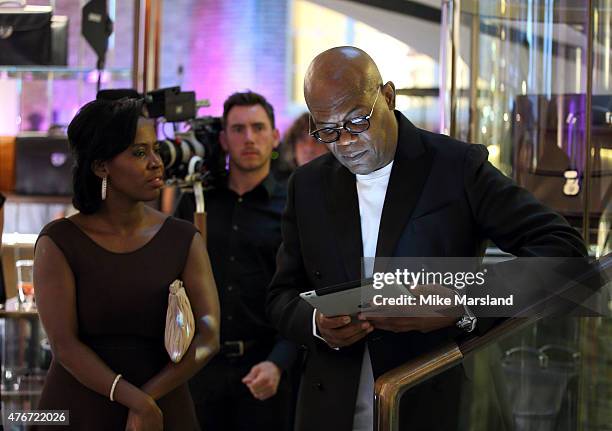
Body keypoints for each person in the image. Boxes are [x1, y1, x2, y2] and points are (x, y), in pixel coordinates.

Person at [266, 46, 587, 431]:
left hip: (434, 395)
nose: (346, 142)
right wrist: (317, 322)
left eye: (356, 121)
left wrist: (461, 303)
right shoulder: (308, 185)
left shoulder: (456, 167)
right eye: (328, 131)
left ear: (387, 95)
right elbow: (281, 296)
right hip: (332, 405)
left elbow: (564, 253)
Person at [33, 98, 220, 431]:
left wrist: (148, 398)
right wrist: (133, 399)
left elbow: (209, 335)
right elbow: (64, 345)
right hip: (79, 407)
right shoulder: (59, 242)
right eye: (138, 152)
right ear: (101, 166)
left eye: (155, 149)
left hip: (163, 407)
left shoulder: (182, 238)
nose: (156, 162)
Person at [175, 91, 298, 431]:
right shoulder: (196, 202)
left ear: (274, 136)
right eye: (238, 129)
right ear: (223, 140)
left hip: (266, 370)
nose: (249, 138)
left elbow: (305, 290)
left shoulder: (293, 204)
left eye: (258, 128)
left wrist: (279, 363)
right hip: (200, 369)